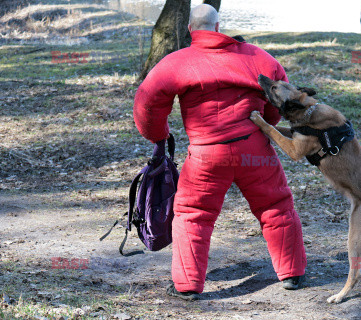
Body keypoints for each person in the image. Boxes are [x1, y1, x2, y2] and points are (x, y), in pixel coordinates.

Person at [133, 4, 306, 300]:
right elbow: (281, 99)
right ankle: (291, 273)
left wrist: (159, 136)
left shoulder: (177, 62)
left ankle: (187, 285)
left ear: (190, 29)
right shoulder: (258, 57)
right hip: (255, 151)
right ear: (218, 26)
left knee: (192, 213)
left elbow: (147, 103)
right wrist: (265, 125)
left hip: (206, 154)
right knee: (275, 205)